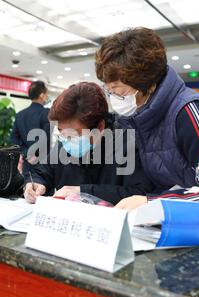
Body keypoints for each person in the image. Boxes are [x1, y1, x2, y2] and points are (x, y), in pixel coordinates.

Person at [95, 27, 199, 226]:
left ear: (150, 84)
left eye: (120, 93)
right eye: (109, 91)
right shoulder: (139, 119)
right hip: (179, 224)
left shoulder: (192, 112)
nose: (115, 100)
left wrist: (152, 203)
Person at [23, 82, 154, 205]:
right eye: (62, 131)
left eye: (75, 134)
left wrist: (84, 192)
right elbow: (41, 173)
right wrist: (34, 184)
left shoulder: (127, 142)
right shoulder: (64, 143)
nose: (67, 139)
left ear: (100, 127)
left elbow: (139, 194)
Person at [11, 81, 52, 174]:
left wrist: (26, 154)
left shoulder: (20, 115)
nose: (47, 96)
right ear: (42, 95)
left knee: (27, 186)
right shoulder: (46, 113)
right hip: (43, 163)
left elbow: (14, 138)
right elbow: (46, 137)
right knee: (43, 187)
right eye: (46, 94)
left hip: (27, 163)